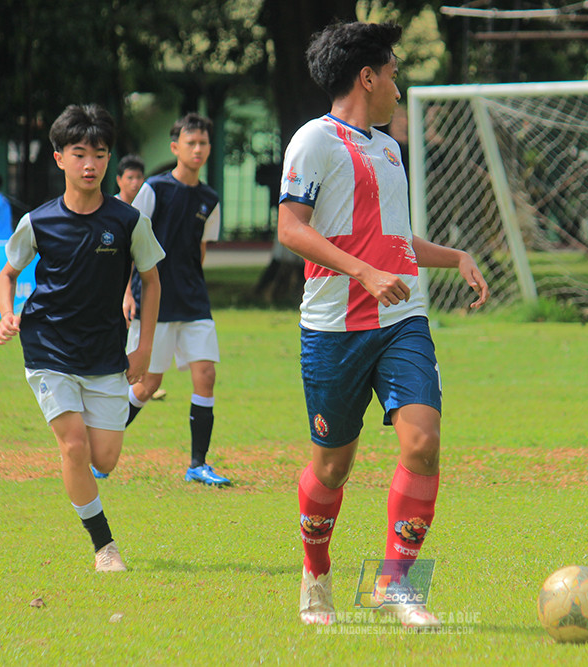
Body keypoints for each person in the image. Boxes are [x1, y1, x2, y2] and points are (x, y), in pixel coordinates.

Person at [277, 21, 489, 629]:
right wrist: (364, 274)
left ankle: (397, 586)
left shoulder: (389, 147)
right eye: (393, 72)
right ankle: (316, 571)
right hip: (333, 330)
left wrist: (455, 258)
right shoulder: (312, 142)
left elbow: (395, 240)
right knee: (331, 467)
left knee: (422, 444)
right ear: (367, 77)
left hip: (402, 319)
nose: (399, 84)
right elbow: (292, 229)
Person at [0, 104, 165, 572]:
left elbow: (153, 282)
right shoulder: (38, 221)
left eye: (100, 154)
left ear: (109, 160)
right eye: (79, 153)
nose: (90, 164)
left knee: (103, 459)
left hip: (106, 352)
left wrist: (144, 347)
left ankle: (110, 429)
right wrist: (9, 315)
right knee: (73, 445)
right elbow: (7, 275)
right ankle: (104, 546)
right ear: (59, 159)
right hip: (47, 347)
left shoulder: (128, 222)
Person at [121, 113, 231, 487]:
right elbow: (130, 244)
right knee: (147, 384)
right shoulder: (154, 189)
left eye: (203, 143)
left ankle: (198, 464)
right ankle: (100, 447)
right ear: (175, 148)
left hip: (194, 301)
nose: (198, 149)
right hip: (154, 301)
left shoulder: (210, 198)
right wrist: (126, 292)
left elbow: (199, 251)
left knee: (206, 375)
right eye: (191, 143)